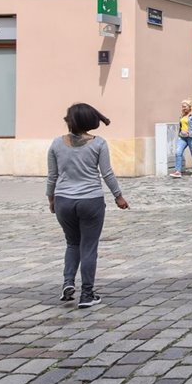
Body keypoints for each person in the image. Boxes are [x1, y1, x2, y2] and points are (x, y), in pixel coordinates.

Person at [46, 103, 129, 308]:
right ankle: (87, 294)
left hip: (64, 201)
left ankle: (67, 283)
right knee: (89, 247)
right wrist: (118, 196)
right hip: (90, 200)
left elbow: (52, 176)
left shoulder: (56, 144)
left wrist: (51, 199)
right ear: (90, 122)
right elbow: (107, 173)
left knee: (72, 243)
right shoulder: (98, 144)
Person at [172, 100, 192, 178]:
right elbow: (181, 126)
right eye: (182, 106)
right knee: (178, 152)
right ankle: (178, 171)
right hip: (182, 137)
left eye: (184, 106)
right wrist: (180, 133)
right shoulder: (182, 115)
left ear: (190, 107)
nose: (183, 108)